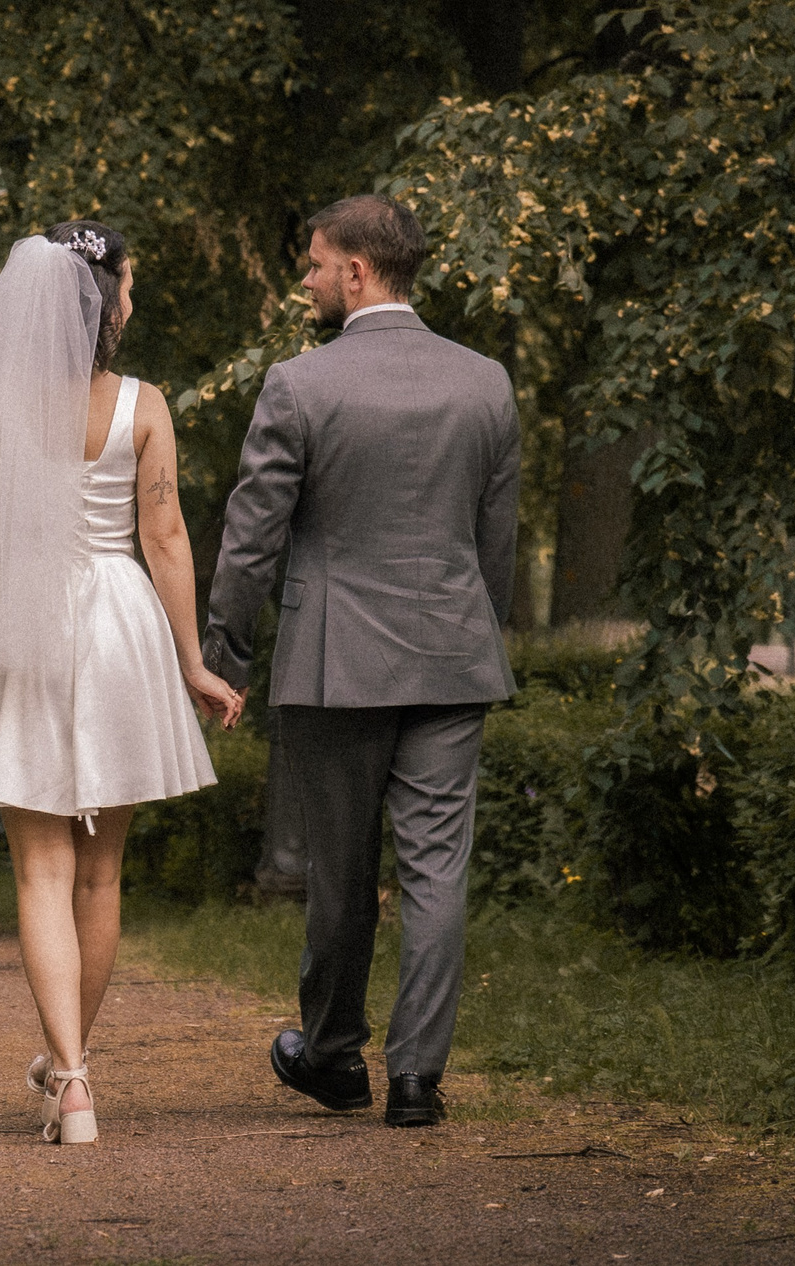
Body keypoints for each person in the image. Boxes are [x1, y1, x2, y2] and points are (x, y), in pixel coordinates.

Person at [0, 223, 243, 1145]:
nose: (133, 300)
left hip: (23, 628)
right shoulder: (144, 403)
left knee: (41, 869)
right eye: (128, 285)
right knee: (102, 873)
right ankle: (71, 1067)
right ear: (105, 302)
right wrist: (192, 663)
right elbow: (163, 537)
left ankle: (72, 1081)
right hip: (120, 623)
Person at [203, 194, 519, 1128]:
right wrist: (473, 634)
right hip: (453, 658)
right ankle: (419, 1076)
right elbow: (494, 542)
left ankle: (336, 1058)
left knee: (340, 875)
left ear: (358, 271)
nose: (304, 279)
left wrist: (229, 647)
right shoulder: (486, 383)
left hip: (336, 662)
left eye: (312, 264)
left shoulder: (300, 385)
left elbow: (250, 539)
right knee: (436, 872)